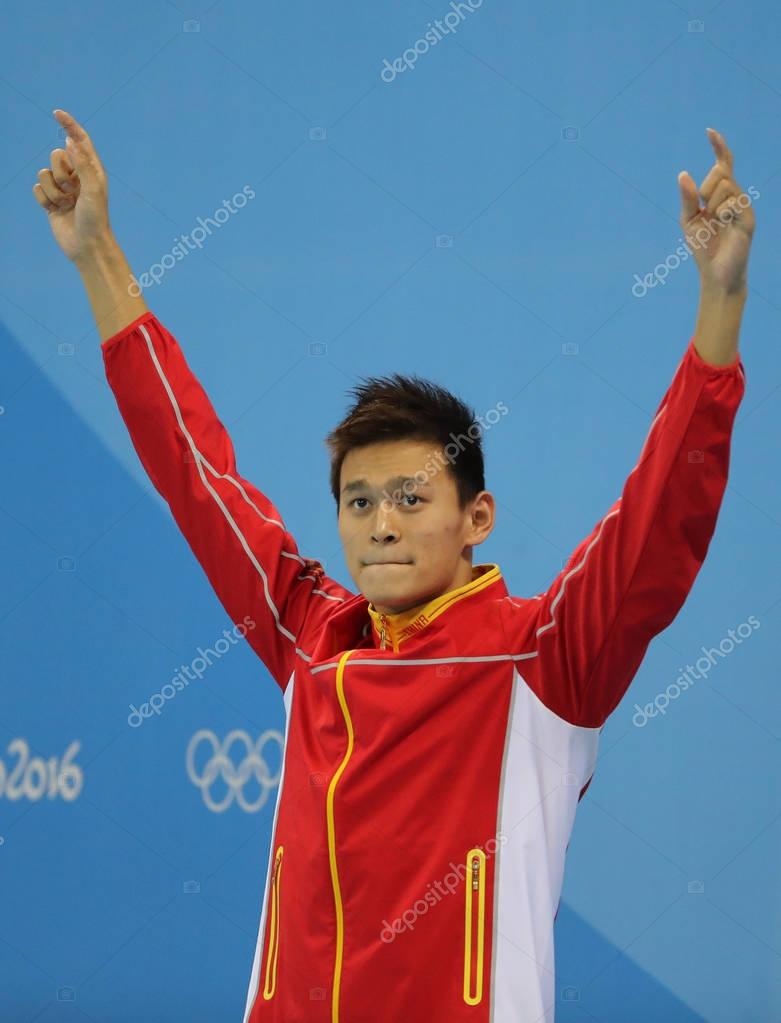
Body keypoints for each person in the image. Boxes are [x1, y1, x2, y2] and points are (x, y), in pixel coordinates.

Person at [34, 109, 753, 1023]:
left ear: (475, 518)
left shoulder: (540, 660)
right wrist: (98, 255)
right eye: (359, 501)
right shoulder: (310, 635)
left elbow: (657, 523)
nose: (381, 524)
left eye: (412, 499)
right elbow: (194, 470)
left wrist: (718, 305)